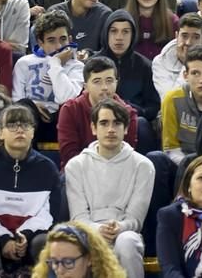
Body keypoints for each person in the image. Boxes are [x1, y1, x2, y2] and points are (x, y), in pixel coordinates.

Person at [66, 98, 155, 278]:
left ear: (126, 128)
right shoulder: (75, 166)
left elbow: (135, 219)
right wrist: (98, 229)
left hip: (125, 232)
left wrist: (119, 227)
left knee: (127, 242)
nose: (111, 130)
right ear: (93, 128)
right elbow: (78, 217)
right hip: (88, 231)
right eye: (104, 123)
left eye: (117, 123)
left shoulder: (143, 166)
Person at [0, 103, 61, 272]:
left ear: (33, 132)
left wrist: (24, 236)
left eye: (26, 124)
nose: (20, 129)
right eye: (12, 125)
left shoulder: (47, 169)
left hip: (33, 238)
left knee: (45, 243)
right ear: (0, 133)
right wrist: (4, 239)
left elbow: (49, 215)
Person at [12, 8, 84, 140]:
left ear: (70, 39)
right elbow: (17, 101)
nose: (58, 46)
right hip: (31, 120)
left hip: (60, 121)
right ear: (40, 43)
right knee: (25, 106)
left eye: (63, 39)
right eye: (51, 40)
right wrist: (32, 107)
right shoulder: (24, 63)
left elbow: (66, 99)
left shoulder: (77, 67)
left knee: (68, 109)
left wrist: (55, 63)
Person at [57, 55, 142, 168]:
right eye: (97, 81)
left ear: (116, 83)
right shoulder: (70, 109)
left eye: (109, 81)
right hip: (79, 171)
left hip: (117, 172)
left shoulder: (128, 113)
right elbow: (69, 155)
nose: (104, 87)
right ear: (85, 86)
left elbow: (126, 155)